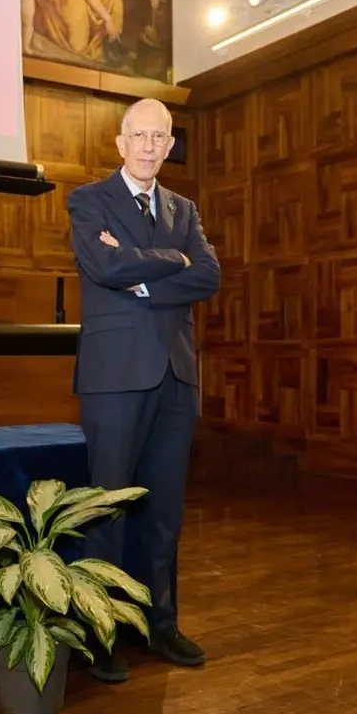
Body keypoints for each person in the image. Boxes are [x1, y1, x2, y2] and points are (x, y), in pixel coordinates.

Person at [67, 97, 221, 682]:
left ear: (169, 145)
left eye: (160, 137)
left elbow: (208, 275)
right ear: (121, 143)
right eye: (140, 136)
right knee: (106, 507)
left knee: (165, 512)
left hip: (176, 378)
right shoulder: (89, 200)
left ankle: (161, 625)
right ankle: (101, 632)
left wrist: (146, 275)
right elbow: (103, 268)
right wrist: (173, 260)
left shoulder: (185, 208)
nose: (150, 146)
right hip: (114, 378)